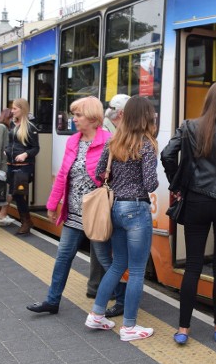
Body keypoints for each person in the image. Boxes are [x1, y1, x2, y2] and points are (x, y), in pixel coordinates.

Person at [160, 82, 216, 344]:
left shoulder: (188, 126)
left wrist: (176, 183)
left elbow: (167, 155)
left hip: (196, 202)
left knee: (193, 266)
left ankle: (183, 329)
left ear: (208, 102)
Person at [27, 97, 123, 315]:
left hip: (95, 213)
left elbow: (116, 178)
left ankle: (123, 299)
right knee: (63, 256)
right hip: (73, 212)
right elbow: (63, 174)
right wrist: (52, 205)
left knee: (105, 260)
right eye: (74, 114)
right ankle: (52, 300)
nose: (74, 119)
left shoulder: (109, 141)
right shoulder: (73, 141)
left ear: (92, 118)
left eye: (78, 115)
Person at [85, 96, 159, 341]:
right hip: (137, 209)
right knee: (137, 270)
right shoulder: (146, 144)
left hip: (115, 208)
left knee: (118, 265)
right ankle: (129, 327)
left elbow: (98, 173)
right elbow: (150, 183)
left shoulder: (114, 142)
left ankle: (96, 315)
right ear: (146, 117)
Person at [88, 92, 130, 299]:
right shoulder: (109, 133)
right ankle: (112, 290)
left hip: (109, 198)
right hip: (108, 198)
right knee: (104, 246)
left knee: (103, 244)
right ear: (121, 113)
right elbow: (99, 171)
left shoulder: (111, 130)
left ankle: (98, 286)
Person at [6, 98, 40, 235]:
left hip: (24, 165)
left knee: (18, 194)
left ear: (22, 109)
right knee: (16, 194)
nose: (12, 111)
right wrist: (6, 150)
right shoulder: (13, 125)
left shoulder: (31, 127)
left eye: (15, 108)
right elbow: (10, 144)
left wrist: (25, 154)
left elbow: (36, 148)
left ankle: (26, 221)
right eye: (12, 108)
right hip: (12, 164)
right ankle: (26, 221)